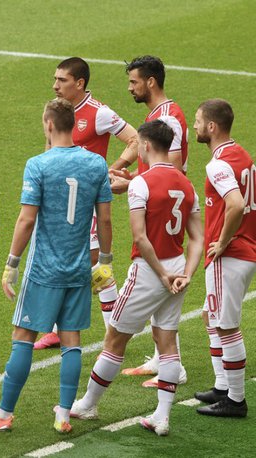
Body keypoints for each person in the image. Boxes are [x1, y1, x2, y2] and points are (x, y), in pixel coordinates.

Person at [0, 98, 113, 434]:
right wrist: (107, 262)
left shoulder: (38, 165)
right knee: (71, 339)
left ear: (49, 124)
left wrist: (11, 263)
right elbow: (107, 217)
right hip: (79, 266)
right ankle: (65, 414)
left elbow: (27, 219)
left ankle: (3, 413)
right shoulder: (96, 164)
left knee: (23, 336)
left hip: (43, 269)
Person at [70, 120, 203, 436]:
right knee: (167, 341)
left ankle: (88, 404)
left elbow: (140, 238)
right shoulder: (186, 185)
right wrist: (185, 273)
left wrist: (162, 274)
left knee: (115, 338)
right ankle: (162, 415)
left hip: (149, 270)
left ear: (145, 145)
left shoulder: (142, 185)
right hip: (177, 266)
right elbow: (197, 237)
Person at [35, 57, 139, 350]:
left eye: (62, 80)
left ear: (79, 84)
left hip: (87, 201)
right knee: (62, 260)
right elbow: (49, 151)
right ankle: (58, 329)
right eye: (55, 79)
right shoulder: (57, 111)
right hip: (60, 200)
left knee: (95, 264)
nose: (55, 85)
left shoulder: (99, 113)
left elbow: (136, 140)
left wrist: (113, 168)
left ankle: (114, 333)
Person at [110, 56, 190, 387]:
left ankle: (172, 366)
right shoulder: (160, 114)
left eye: (134, 82)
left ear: (151, 82)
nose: (130, 88)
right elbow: (150, 159)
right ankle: (163, 360)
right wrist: (124, 170)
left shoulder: (168, 117)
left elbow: (171, 167)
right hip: (159, 202)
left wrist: (131, 183)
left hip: (161, 209)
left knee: (159, 275)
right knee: (163, 288)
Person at [192, 99, 256, 417]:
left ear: (212, 127)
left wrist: (223, 241)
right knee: (210, 315)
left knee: (227, 326)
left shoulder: (218, 164)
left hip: (230, 254)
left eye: (198, 121)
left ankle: (236, 400)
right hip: (246, 251)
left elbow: (234, 203)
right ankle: (222, 386)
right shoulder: (242, 155)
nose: (194, 126)